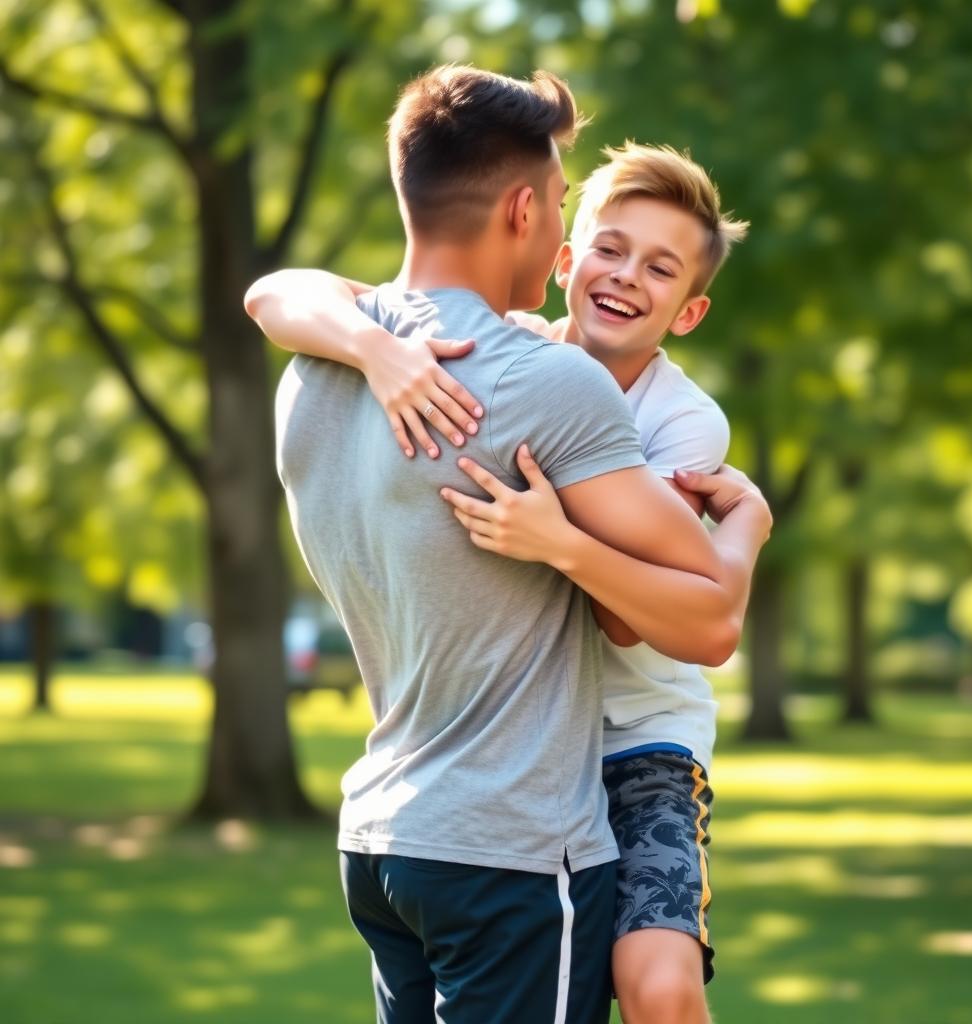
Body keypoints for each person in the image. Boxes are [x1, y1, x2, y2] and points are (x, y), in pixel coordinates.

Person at [249, 65, 770, 1024]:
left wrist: (560, 537)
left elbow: (274, 296)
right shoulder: (525, 370)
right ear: (546, 232)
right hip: (515, 818)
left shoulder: (312, 377)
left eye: (663, 269)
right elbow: (274, 293)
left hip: (452, 805)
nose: (625, 275)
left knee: (662, 987)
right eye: (597, 236)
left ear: (689, 309)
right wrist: (376, 348)